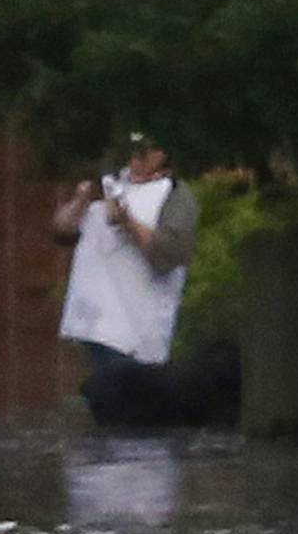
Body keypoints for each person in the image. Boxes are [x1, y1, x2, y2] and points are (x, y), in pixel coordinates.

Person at [54, 133, 200, 382]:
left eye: (147, 149)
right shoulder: (107, 185)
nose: (136, 156)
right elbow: (61, 232)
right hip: (95, 326)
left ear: (162, 156)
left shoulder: (175, 195)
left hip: (136, 331)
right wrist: (80, 202)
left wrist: (126, 222)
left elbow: (169, 254)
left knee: (128, 395)